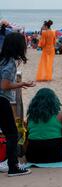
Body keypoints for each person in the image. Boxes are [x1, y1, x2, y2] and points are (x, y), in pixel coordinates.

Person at [0, 33, 35, 176]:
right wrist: (22, 83)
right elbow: (5, 85)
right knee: (12, 134)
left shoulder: (2, 60)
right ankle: (13, 167)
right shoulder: (10, 63)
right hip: (2, 100)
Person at [25, 88, 62, 163]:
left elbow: (28, 136)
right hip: (55, 155)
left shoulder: (30, 117)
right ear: (54, 100)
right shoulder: (60, 115)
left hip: (33, 156)